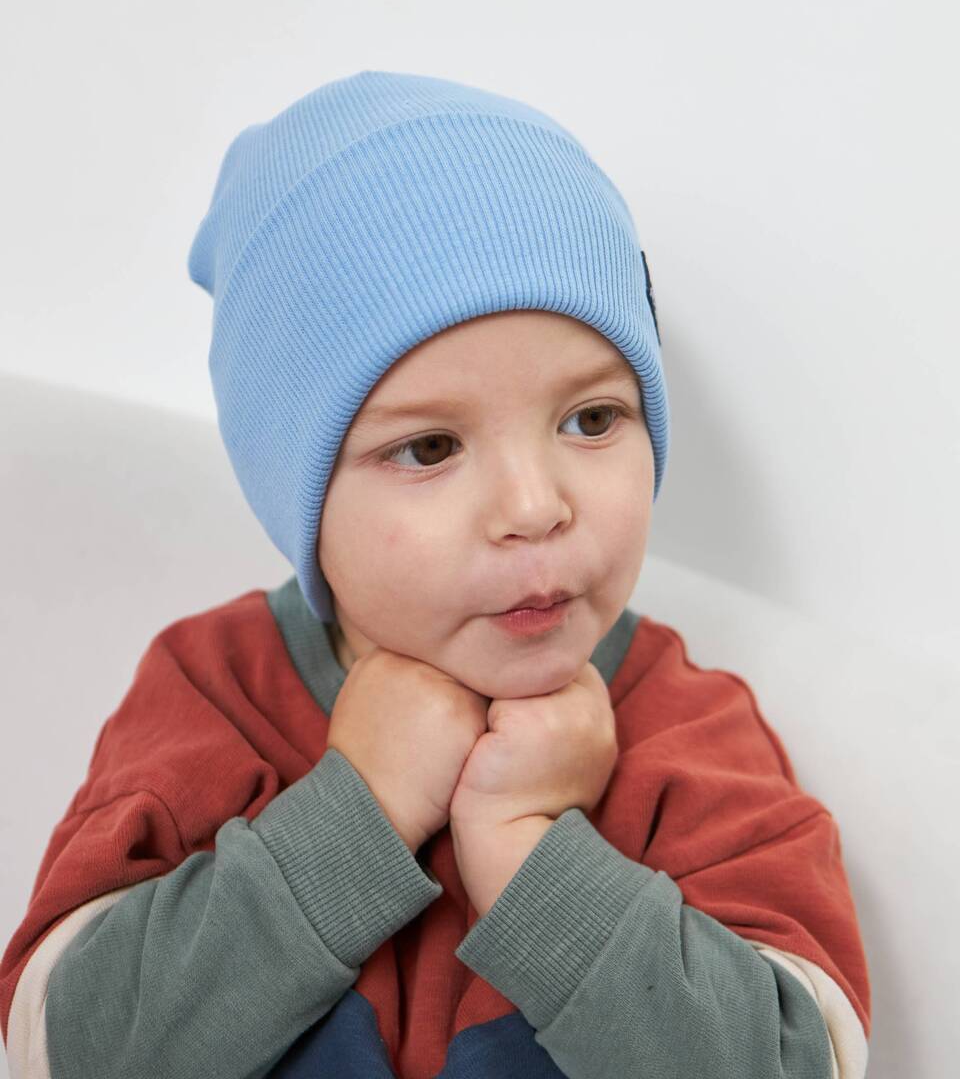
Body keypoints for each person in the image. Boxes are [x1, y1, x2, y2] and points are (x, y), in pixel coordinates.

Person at [0, 70, 870, 1079]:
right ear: (298, 494)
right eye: (430, 448)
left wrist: (530, 853)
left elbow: (800, 1062)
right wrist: (357, 812)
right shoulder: (214, 690)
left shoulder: (691, 730)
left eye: (592, 419)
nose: (534, 506)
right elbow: (63, 1049)